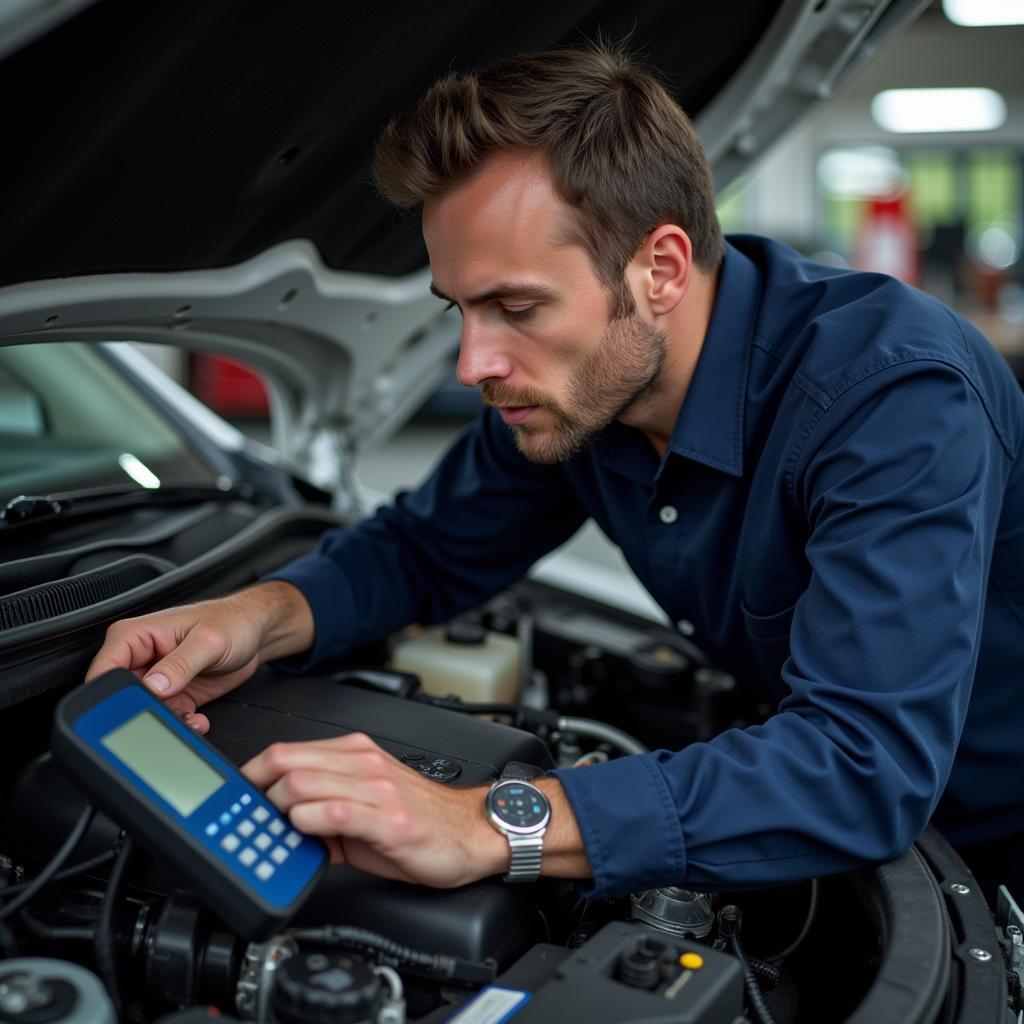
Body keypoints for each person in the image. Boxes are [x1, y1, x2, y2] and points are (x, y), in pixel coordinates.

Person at [87, 43, 1024, 903]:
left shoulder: (892, 395)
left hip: (993, 843)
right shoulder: (582, 389)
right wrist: (258, 616)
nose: (472, 364)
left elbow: (861, 767)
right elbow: (422, 551)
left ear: (659, 268)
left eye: (516, 306)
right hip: (793, 812)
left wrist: (486, 821)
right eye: (459, 308)